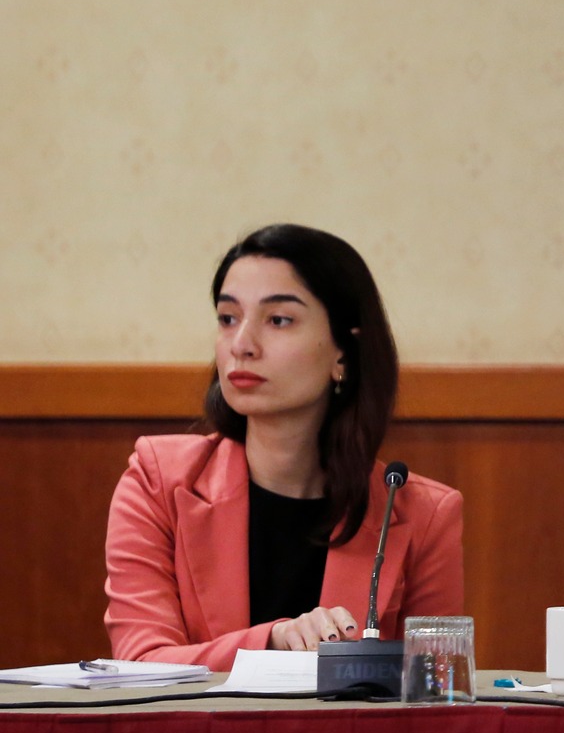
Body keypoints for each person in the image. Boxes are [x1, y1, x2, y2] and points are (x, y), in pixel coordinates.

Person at [104, 224, 463, 669]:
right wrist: (272, 642)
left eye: (278, 320)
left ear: (344, 353)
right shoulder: (159, 481)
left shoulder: (422, 514)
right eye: (228, 318)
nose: (241, 345)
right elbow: (140, 663)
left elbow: (434, 683)